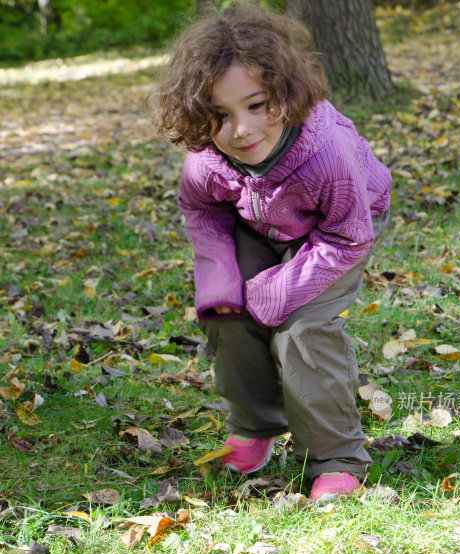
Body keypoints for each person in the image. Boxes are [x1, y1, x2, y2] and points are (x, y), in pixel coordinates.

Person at [149, 2, 391, 500]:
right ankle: (257, 423)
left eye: (257, 105)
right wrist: (224, 285)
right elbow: (203, 212)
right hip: (264, 226)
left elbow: (349, 237)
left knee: (300, 327)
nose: (241, 130)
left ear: (284, 91)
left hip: (339, 232)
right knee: (226, 312)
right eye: (219, 115)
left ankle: (336, 457)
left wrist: (275, 294)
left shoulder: (327, 154)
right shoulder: (207, 158)